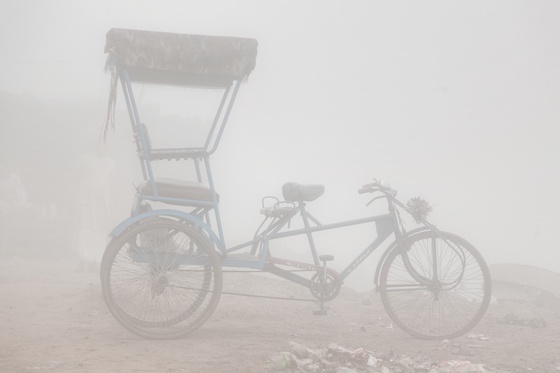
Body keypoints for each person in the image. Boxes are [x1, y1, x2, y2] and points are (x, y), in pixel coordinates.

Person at [73, 144, 115, 272]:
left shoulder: (111, 163)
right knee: (84, 228)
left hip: (102, 202)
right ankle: (82, 262)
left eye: (107, 146)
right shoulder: (85, 159)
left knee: (99, 230)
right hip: (86, 201)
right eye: (101, 146)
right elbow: (75, 178)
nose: (104, 149)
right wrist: (79, 197)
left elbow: (112, 182)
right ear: (96, 146)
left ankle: (95, 261)